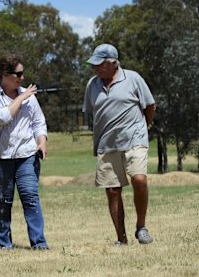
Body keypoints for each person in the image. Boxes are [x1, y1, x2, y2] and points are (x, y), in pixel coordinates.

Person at [82, 43, 156, 246]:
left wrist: (143, 127)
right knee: (113, 190)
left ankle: (141, 227)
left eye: (100, 64)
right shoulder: (92, 84)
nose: (96, 68)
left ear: (113, 63)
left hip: (135, 139)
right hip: (107, 142)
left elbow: (150, 106)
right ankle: (121, 239)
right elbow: (92, 113)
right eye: (94, 64)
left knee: (139, 179)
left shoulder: (133, 78)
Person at [0, 56, 49, 250]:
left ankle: (39, 243)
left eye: (23, 73)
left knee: (30, 196)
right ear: (5, 75)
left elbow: (39, 123)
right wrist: (22, 97)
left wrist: (42, 142)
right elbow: (3, 117)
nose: (22, 78)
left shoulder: (30, 97)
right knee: (3, 200)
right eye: (18, 74)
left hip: (27, 155)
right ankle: (4, 243)